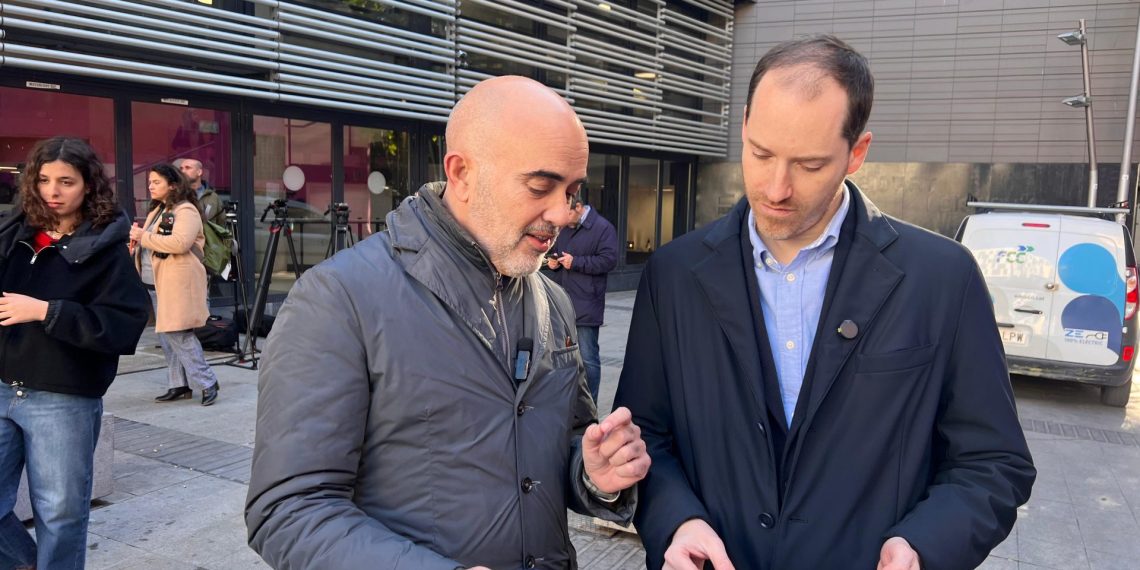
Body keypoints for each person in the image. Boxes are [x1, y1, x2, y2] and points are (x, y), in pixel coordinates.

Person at [613, 35, 1035, 570]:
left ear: (857, 153)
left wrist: (923, 545)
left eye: (809, 165)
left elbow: (993, 462)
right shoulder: (672, 274)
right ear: (743, 126)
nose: (775, 187)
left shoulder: (942, 279)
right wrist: (676, 521)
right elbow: (646, 435)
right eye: (760, 153)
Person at [245, 76, 651, 569]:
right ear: (461, 173)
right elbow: (288, 510)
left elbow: (560, 444)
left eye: (572, 190)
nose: (563, 213)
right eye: (541, 186)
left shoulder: (552, 300)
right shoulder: (339, 299)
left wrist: (591, 472)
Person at [0, 136, 150, 569]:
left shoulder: (105, 250)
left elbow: (123, 325)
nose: (53, 191)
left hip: (63, 398)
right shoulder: (15, 233)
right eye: (44, 180)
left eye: (66, 181)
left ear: (88, 185)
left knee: (61, 516)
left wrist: (47, 312)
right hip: (3, 385)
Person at [129, 163, 220, 406]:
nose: (150, 186)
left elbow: (179, 243)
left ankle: (207, 381)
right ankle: (178, 384)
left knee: (177, 332)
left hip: (177, 281)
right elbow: (153, 241)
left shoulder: (186, 210)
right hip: (155, 281)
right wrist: (136, 245)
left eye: (156, 182)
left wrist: (143, 237)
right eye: (149, 182)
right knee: (168, 335)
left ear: (172, 185)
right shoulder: (158, 210)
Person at [543, 194, 619, 403]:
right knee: (561, 357)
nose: (563, 220)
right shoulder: (566, 228)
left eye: (566, 214)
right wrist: (553, 262)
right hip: (562, 302)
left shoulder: (603, 228)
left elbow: (609, 261)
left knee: (588, 359)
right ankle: (567, 404)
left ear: (578, 207)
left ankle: (590, 406)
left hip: (587, 304)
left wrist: (576, 262)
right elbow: (557, 252)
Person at [177, 158, 224, 226]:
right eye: (181, 168)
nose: (183, 171)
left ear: (199, 172)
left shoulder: (213, 197)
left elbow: (222, 225)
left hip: (206, 235)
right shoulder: (176, 194)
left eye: (188, 168)